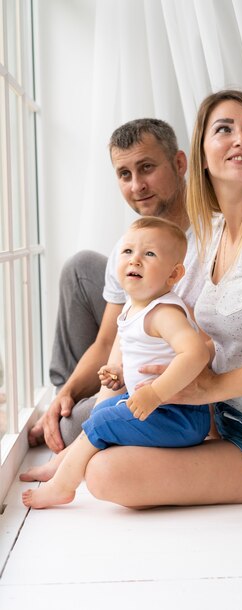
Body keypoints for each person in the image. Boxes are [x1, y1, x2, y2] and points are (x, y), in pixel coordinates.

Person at [72, 89, 242, 510]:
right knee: (104, 436)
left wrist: (210, 387)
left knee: (105, 474)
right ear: (201, 158)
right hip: (225, 423)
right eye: (224, 129)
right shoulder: (214, 238)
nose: (241, 139)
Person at [29, 118, 202, 453]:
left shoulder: (209, 236)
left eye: (147, 168)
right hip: (126, 366)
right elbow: (107, 339)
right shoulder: (128, 249)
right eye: (125, 174)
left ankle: (66, 418)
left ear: (179, 163)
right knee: (80, 267)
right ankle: (60, 401)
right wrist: (68, 392)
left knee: (71, 431)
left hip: (171, 392)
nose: (137, 185)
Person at [21, 217, 211, 508]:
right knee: (104, 409)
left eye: (149, 254)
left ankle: (63, 485)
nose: (135, 259)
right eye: (127, 252)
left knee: (104, 420)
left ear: (173, 275)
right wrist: (122, 374)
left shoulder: (164, 313)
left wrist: (157, 392)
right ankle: (62, 464)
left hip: (181, 418)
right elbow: (153, 356)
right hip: (158, 408)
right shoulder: (135, 308)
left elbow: (195, 353)